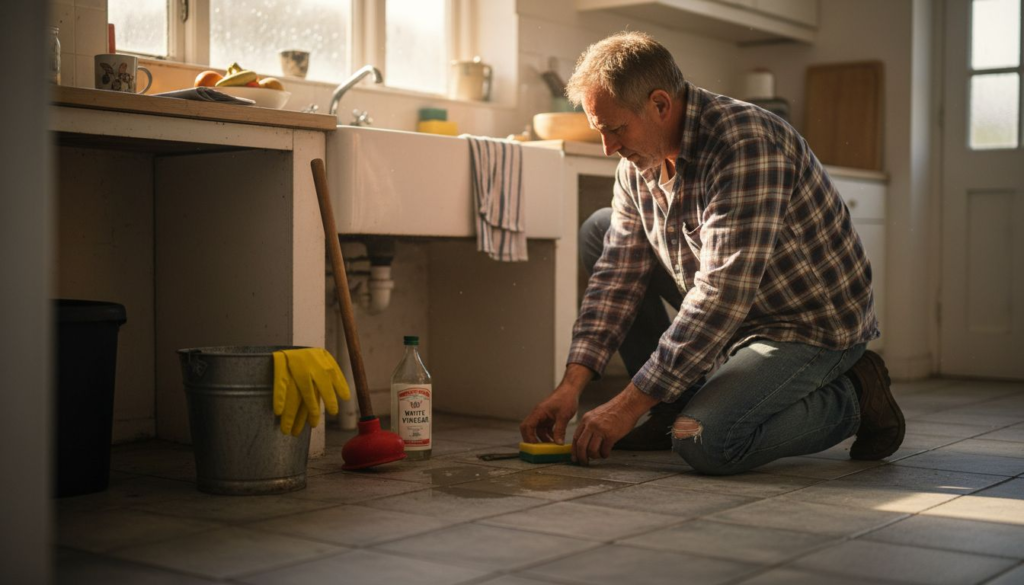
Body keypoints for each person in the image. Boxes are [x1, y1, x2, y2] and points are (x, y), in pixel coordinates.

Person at [519, 31, 905, 473]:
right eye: (600, 131)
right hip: (734, 315)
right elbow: (616, 279)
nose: (609, 148)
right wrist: (570, 386)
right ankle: (672, 402)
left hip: (805, 325)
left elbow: (720, 296)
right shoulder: (636, 163)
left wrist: (626, 405)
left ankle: (858, 393)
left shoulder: (745, 144)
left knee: (707, 441)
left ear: (660, 105)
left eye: (616, 129)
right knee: (600, 230)